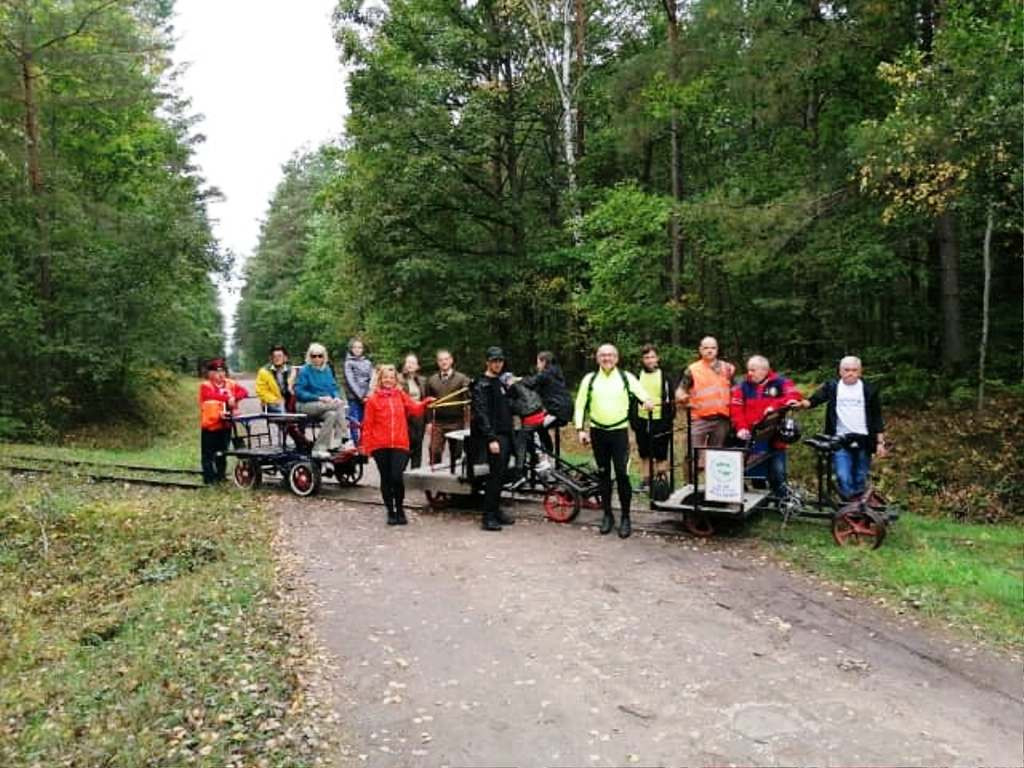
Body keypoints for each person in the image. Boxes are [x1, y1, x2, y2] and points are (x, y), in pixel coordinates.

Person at [573, 343, 653, 539]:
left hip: (619, 433)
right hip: (597, 432)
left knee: (622, 474)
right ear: (597, 358)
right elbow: (580, 405)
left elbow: (643, 395)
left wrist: (647, 402)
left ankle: (625, 517)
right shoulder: (590, 379)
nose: (607, 358)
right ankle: (607, 515)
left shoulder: (626, 377)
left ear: (616, 358)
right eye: (603, 355)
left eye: (610, 355)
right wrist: (579, 429)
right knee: (603, 475)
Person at [800, 355, 887, 500]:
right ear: (840, 371)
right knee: (842, 475)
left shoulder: (869, 390)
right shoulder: (832, 386)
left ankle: (858, 509)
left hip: (864, 439)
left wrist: (880, 443)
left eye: (854, 370)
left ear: (860, 371)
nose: (850, 373)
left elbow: (877, 417)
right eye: (847, 370)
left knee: (860, 475)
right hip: (840, 439)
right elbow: (814, 400)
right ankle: (850, 507)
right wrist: (800, 403)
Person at [361, 364, 434, 525]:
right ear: (380, 380)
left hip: (400, 443)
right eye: (385, 377)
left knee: (397, 477)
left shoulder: (400, 395)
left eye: (391, 378)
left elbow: (414, 409)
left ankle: (400, 509)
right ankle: (390, 511)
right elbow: (368, 425)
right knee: (386, 478)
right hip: (380, 445)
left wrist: (425, 403)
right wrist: (366, 446)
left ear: (395, 380)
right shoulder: (373, 400)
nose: (388, 380)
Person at [729, 355, 803, 496]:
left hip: (775, 437)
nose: (749, 373)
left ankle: (782, 500)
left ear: (764, 370)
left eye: (752, 370)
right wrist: (741, 427)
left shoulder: (780, 382)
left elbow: (794, 395)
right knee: (755, 471)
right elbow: (736, 409)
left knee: (778, 471)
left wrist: (774, 406)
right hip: (752, 437)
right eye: (748, 370)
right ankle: (760, 502)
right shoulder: (742, 386)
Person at [470, 347, 517, 531]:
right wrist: (491, 438)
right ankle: (488, 516)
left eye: (500, 361)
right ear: (487, 362)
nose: (497, 364)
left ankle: (496, 510)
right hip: (493, 436)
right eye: (494, 361)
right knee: (494, 477)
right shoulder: (481, 384)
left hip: (506, 433)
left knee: (502, 475)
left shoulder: (501, 382)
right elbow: (481, 413)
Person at [675, 337, 736, 465]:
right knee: (693, 454)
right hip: (699, 418)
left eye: (713, 348)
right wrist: (682, 398)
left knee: (718, 456)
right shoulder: (692, 369)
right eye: (706, 348)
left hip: (722, 419)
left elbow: (735, 390)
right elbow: (680, 390)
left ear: (717, 350)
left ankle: (714, 484)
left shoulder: (728, 369)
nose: (710, 351)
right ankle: (691, 484)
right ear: (700, 350)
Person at [294, 342, 349, 459]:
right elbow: (299, 392)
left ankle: (319, 448)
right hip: (305, 405)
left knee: (332, 414)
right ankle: (343, 439)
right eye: (313, 356)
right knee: (337, 406)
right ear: (309, 356)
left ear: (324, 357)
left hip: (326, 405)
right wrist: (319, 398)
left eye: (320, 356)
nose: (317, 359)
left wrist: (336, 397)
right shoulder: (305, 371)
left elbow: (333, 387)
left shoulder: (327, 370)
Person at [199, 358, 249, 484]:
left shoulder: (230, 383)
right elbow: (211, 396)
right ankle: (209, 479)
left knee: (222, 452)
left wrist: (234, 398)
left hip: (226, 424)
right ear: (210, 374)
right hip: (210, 425)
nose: (220, 375)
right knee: (208, 454)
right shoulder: (205, 386)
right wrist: (228, 399)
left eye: (222, 371)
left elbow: (244, 392)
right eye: (216, 372)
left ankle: (221, 476)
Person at [632, 344, 675, 483]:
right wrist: (633, 420)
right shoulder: (636, 376)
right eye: (646, 357)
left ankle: (661, 480)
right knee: (644, 451)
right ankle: (646, 479)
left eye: (652, 357)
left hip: (661, 419)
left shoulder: (665, 376)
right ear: (642, 360)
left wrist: (668, 419)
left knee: (661, 451)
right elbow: (632, 398)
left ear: (658, 358)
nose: (650, 360)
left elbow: (671, 400)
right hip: (642, 419)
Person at [518, 351, 573, 456]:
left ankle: (546, 453)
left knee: (533, 427)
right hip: (563, 410)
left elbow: (531, 383)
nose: (537, 366)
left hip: (557, 411)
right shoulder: (555, 373)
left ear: (543, 362)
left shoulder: (546, 374)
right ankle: (548, 451)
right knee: (538, 426)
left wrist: (517, 380)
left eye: (538, 362)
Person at [425, 349, 471, 466]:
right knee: (434, 451)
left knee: (456, 452)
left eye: (446, 359)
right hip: (438, 422)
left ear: (451, 361)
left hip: (457, 421)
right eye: (441, 360)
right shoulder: (431, 380)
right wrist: (429, 422)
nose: (444, 362)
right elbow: (428, 403)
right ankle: (434, 479)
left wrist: (468, 422)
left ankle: (453, 479)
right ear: (437, 362)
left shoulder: (462, 379)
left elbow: (469, 399)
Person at [398, 353, 428, 469]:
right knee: (405, 445)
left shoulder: (422, 380)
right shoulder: (399, 379)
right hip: (404, 416)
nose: (410, 365)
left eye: (413, 363)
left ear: (417, 366)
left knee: (418, 444)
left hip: (419, 416)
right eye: (408, 362)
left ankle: (416, 471)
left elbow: (425, 399)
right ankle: (401, 472)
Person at [344, 338, 373, 446]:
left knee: (365, 421)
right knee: (355, 421)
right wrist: (360, 396)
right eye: (355, 347)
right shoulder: (348, 363)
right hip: (354, 397)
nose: (357, 349)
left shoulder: (368, 363)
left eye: (359, 347)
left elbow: (372, 379)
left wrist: (368, 395)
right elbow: (350, 381)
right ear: (351, 349)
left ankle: (365, 443)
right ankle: (355, 443)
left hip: (367, 397)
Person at [255, 344, 295, 414]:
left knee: (300, 408)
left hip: (289, 401)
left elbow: (298, 387)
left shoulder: (292, 370)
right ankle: (288, 423)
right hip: (271, 402)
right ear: (271, 358)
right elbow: (261, 391)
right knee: (282, 409)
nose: (277, 358)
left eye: (279, 356)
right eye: (274, 356)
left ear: (285, 358)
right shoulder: (264, 372)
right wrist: (276, 400)